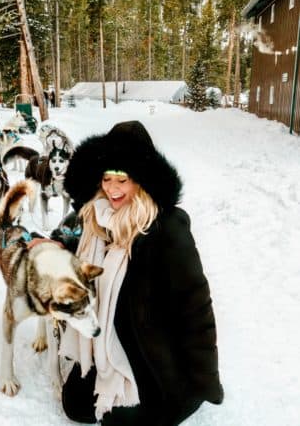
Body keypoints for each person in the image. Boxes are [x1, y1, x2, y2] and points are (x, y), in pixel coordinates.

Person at [46, 121, 224, 425]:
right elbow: (67, 234)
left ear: (140, 182)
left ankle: (177, 394)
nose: (112, 189)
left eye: (122, 180)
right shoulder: (95, 217)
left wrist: (204, 379)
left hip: (152, 352)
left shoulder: (166, 229)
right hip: (110, 341)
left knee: (120, 420)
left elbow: (195, 307)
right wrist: (53, 246)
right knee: (75, 406)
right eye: (107, 178)